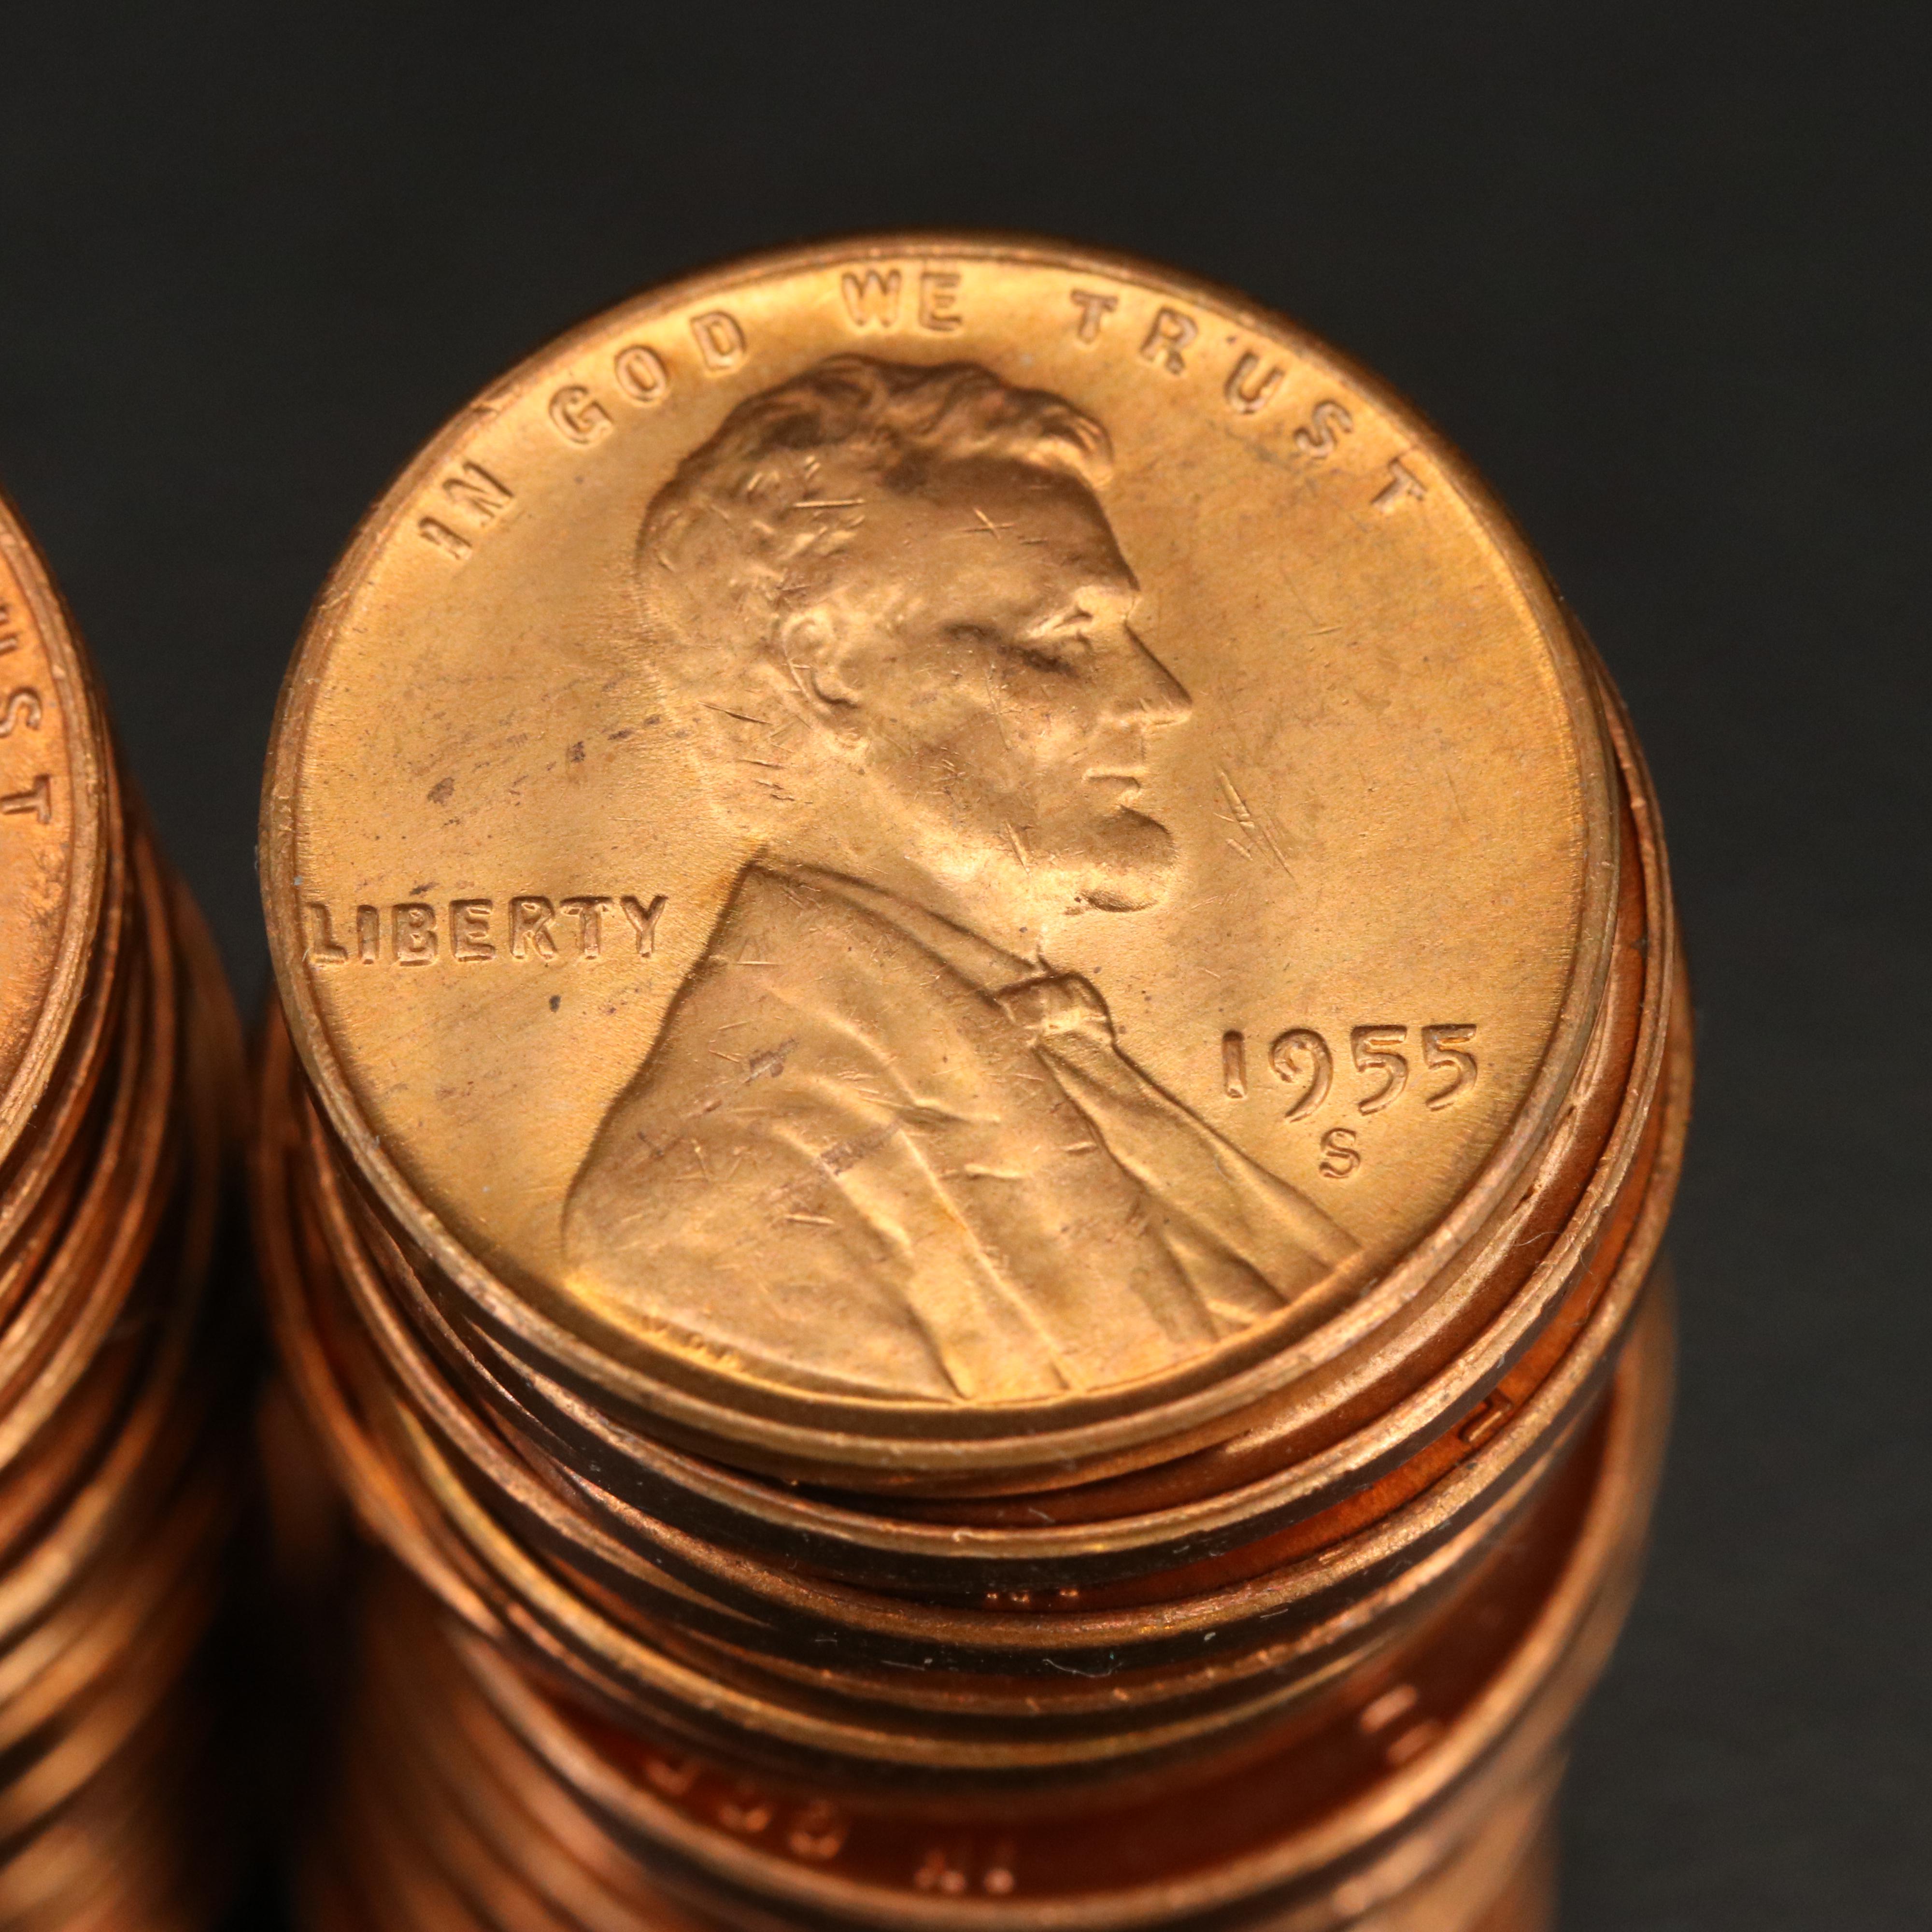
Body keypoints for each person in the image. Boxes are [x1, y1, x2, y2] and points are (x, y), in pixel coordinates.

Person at [564, 355, 1357, 1402]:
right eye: (1066, 637)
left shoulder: (1031, 1039)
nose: (1158, 698)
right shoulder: (714, 1204)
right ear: (827, 669)